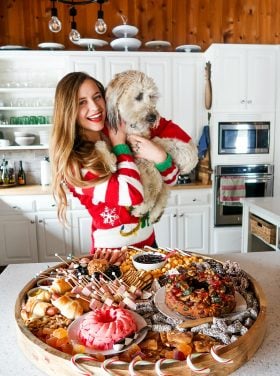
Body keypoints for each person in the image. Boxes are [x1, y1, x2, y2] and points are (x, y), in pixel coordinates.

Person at [50, 71, 196, 253]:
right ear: (68, 111)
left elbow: (171, 179)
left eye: (97, 97)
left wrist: (159, 156)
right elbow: (132, 194)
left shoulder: (120, 131)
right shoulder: (75, 162)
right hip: (113, 254)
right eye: (82, 102)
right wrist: (120, 146)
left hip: (149, 244)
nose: (95, 107)